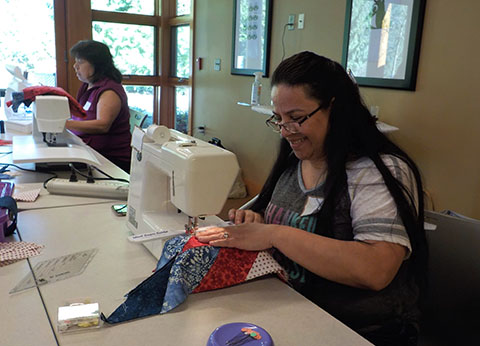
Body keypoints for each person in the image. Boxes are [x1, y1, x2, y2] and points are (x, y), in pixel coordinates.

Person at [196, 52, 428, 345]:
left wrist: (273, 233)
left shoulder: (377, 171)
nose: (285, 131)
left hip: (361, 331)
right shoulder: (295, 163)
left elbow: (376, 269)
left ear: (335, 108)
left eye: (296, 118)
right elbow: (286, 228)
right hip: (293, 310)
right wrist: (258, 220)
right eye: (278, 119)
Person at [66, 40, 132, 172]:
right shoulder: (87, 86)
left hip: (111, 161)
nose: (75, 66)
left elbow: (102, 125)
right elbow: (81, 116)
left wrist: (63, 124)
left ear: (96, 64)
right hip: (90, 152)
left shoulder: (109, 91)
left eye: (80, 62)